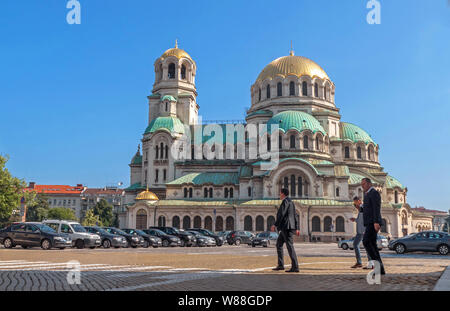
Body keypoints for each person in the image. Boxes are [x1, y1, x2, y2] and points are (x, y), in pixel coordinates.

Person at [271, 188, 300, 273]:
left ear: (283, 194)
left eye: (280, 193)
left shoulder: (285, 201)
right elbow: (295, 215)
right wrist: (297, 228)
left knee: (290, 246)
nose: (279, 195)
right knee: (279, 244)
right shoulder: (291, 202)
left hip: (286, 227)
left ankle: (295, 267)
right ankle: (280, 265)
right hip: (288, 227)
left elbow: (282, 214)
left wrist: (275, 224)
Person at [361, 178, 386, 275]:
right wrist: (360, 208)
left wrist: (376, 222)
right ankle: (380, 269)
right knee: (373, 246)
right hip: (369, 222)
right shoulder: (367, 194)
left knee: (366, 241)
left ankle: (378, 267)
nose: (362, 186)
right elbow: (367, 208)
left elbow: (376, 208)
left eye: (363, 184)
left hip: (372, 222)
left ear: (369, 184)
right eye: (361, 184)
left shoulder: (374, 193)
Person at [349, 196, 371, 268]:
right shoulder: (361, 210)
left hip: (363, 231)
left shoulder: (363, 207)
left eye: (355, 203)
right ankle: (362, 263)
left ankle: (362, 263)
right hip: (361, 231)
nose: (356, 206)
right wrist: (355, 220)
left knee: (358, 245)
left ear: (359, 201)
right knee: (361, 245)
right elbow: (361, 220)